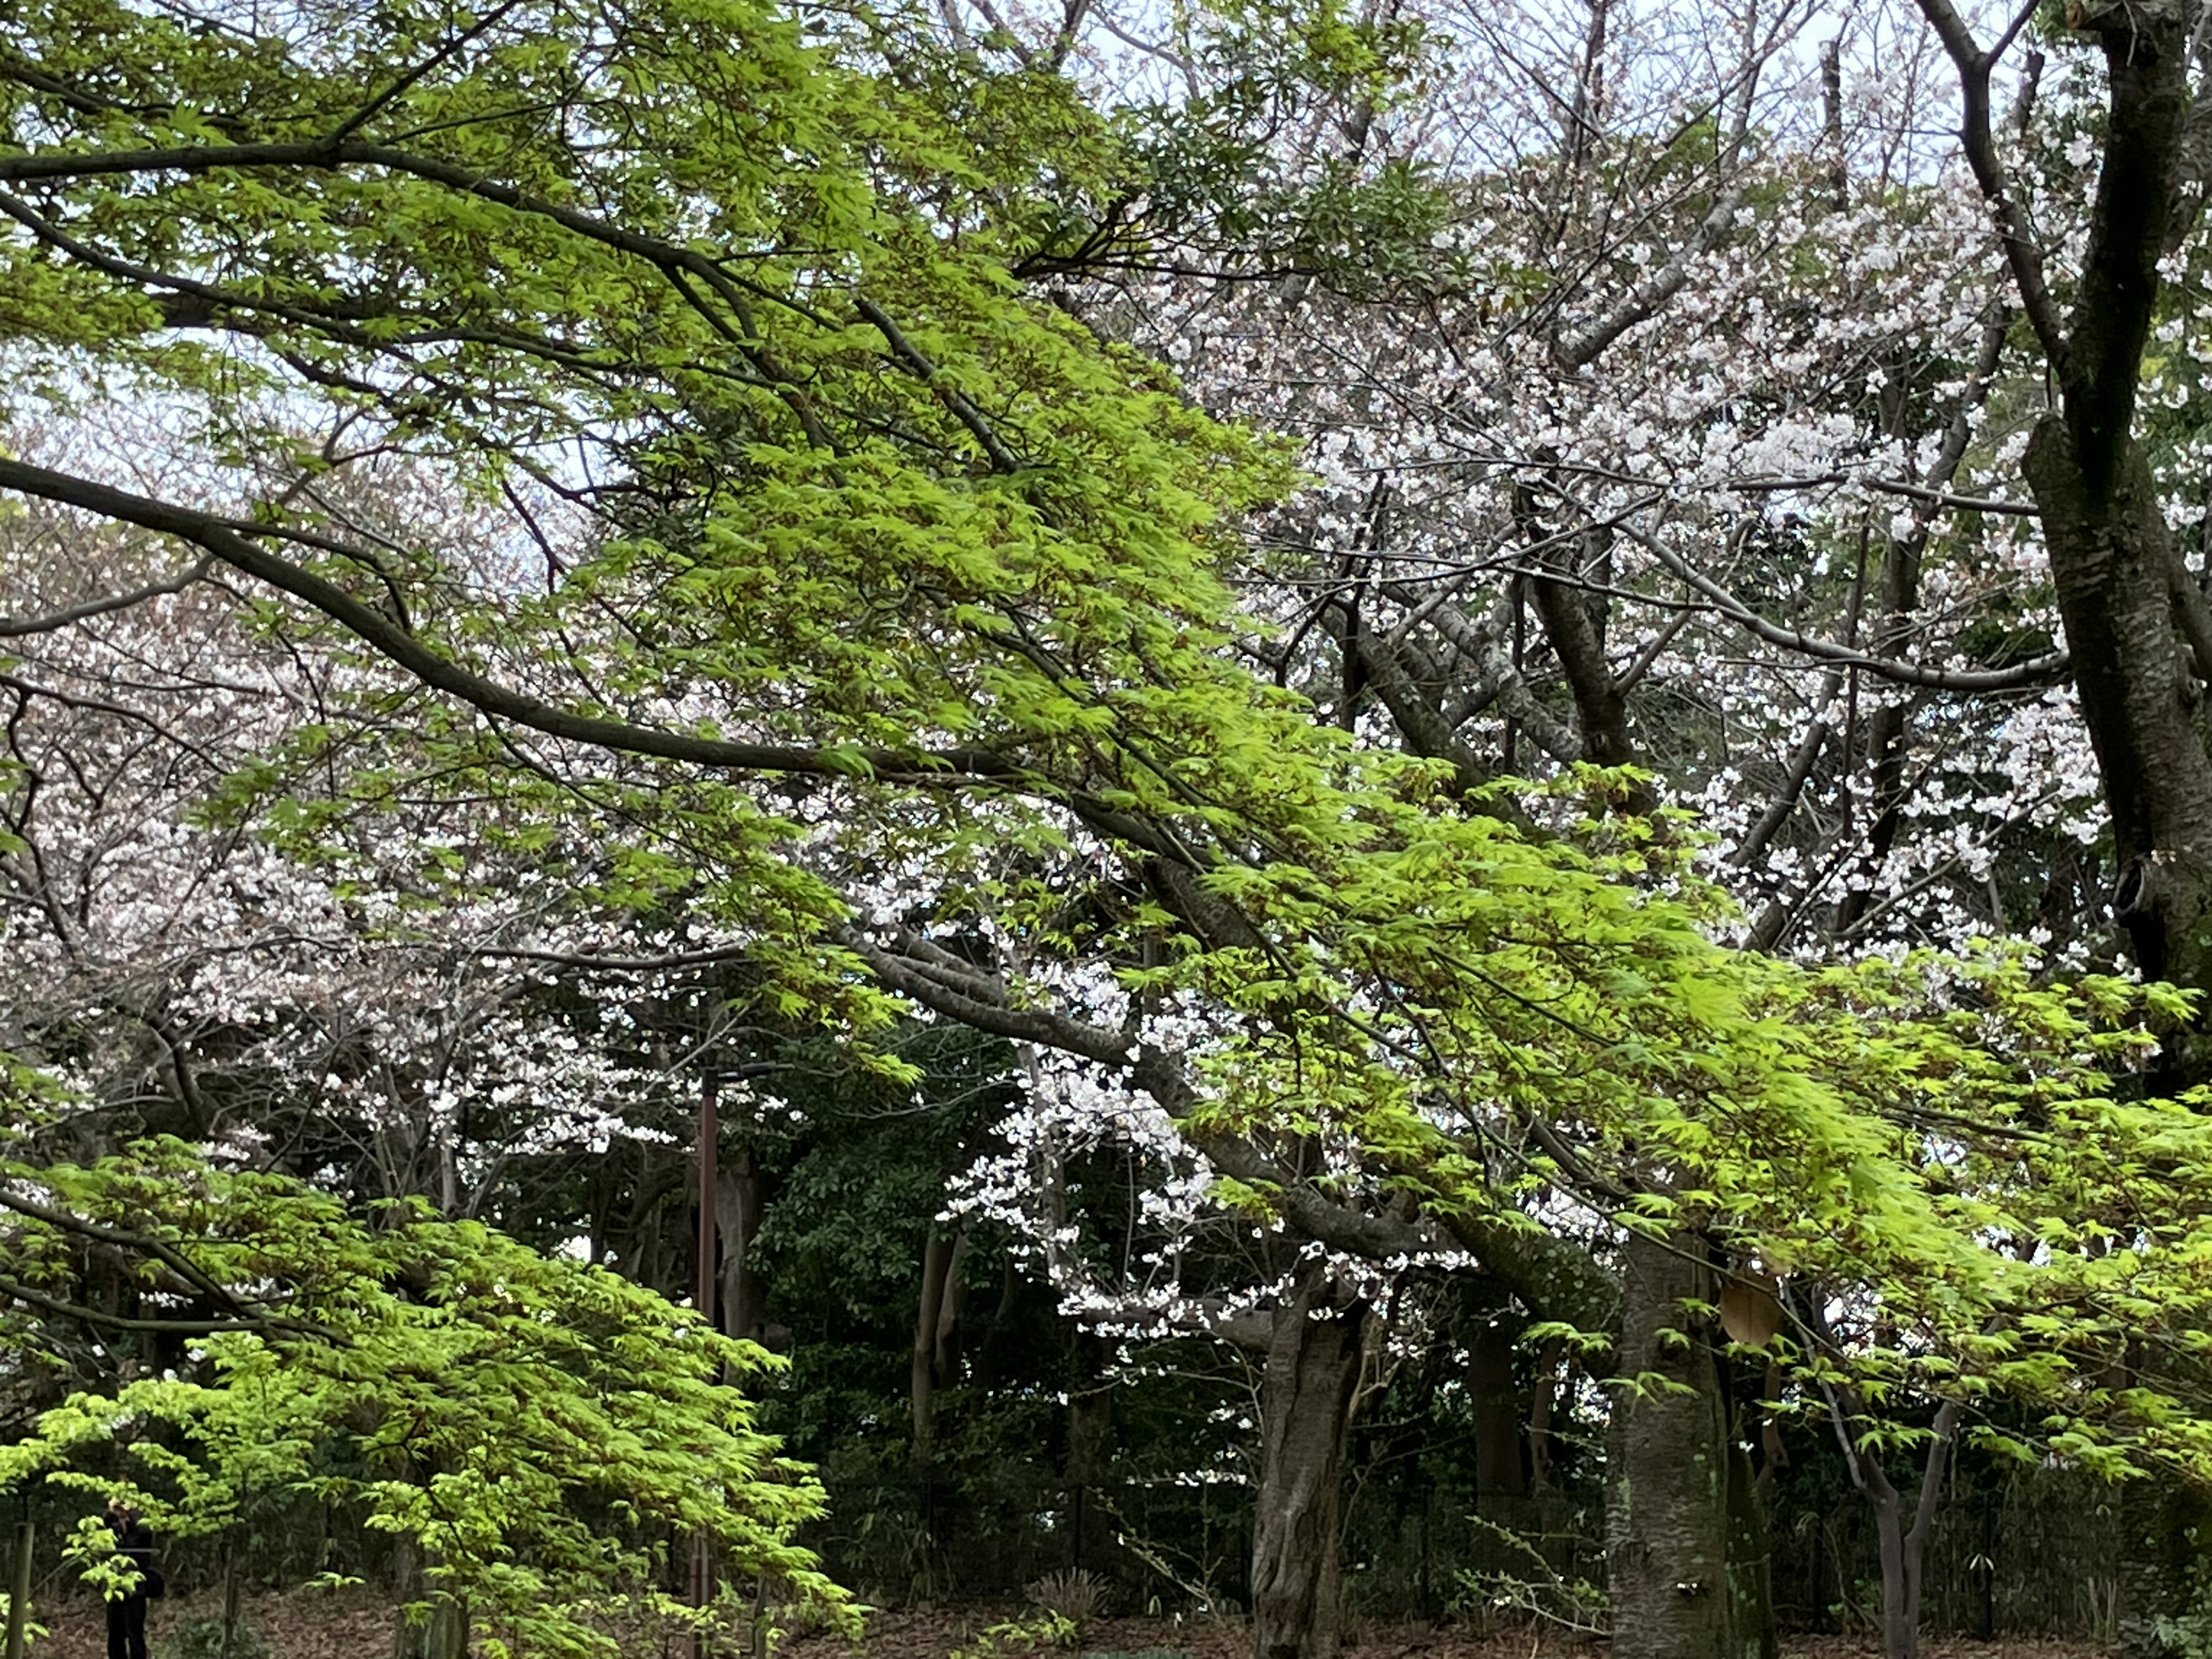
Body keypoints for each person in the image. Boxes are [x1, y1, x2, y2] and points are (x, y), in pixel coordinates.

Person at [102, 1498, 156, 1659]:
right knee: (115, 1635)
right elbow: (103, 1531)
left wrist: (127, 1518)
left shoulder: (141, 1527)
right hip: (115, 1589)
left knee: (135, 1634)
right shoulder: (112, 1528)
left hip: (136, 1589)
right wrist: (113, 1515)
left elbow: (140, 1539)